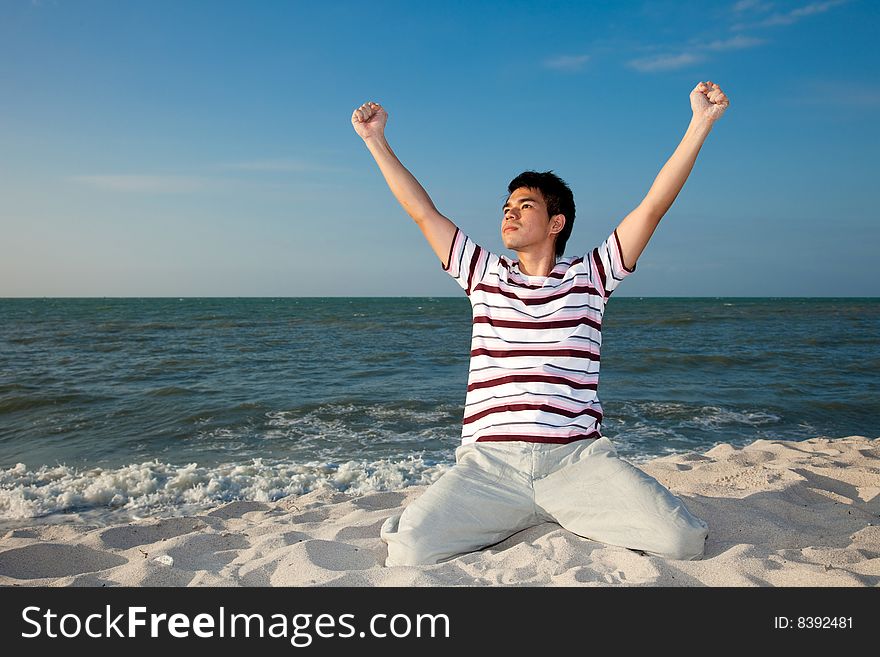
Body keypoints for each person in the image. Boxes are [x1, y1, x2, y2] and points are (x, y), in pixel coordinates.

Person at [351, 81, 730, 566]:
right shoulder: (482, 274)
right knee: (408, 551)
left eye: (524, 206)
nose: (509, 213)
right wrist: (375, 140)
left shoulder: (592, 276)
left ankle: (560, 510)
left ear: (556, 223)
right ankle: (520, 513)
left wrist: (700, 123)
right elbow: (422, 212)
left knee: (682, 541)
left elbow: (653, 206)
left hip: (576, 462)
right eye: (506, 207)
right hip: (490, 465)